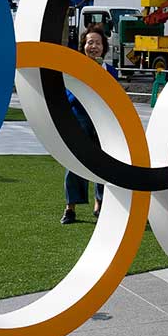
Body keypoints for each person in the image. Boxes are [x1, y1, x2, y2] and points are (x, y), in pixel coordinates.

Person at [62, 25, 117, 225]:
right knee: (75, 163)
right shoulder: (74, 68)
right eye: (89, 42)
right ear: (83, 45)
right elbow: (68, 95)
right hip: (80, 120)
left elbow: (115, 99)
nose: (93, 46)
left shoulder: (110, 71)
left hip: (102, 123)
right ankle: (70, 208)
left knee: (102, 164)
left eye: (98, 43)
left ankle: (99, 204)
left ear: (104, 48)